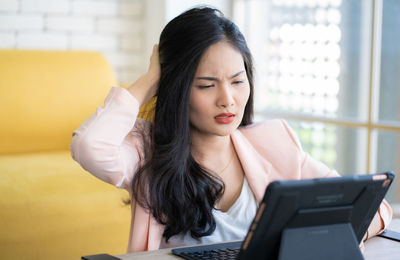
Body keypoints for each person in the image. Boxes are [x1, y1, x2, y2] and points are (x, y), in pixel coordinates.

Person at [70, 7, 392, 253]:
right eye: (207, 85)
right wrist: (150, 80)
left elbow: (374, 207)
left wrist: (325, 238)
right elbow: (89, 147)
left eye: (238, 81)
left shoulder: (273, 142)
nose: (228, 100)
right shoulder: (146, 151)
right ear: (177, 88)